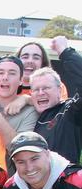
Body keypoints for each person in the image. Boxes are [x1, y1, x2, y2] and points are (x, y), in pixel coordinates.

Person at [30, 36, 82, 166]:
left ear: (59, 90)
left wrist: (65, 52)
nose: (41, 93)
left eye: (46, 88)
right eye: (36, 89)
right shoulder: (27, 114)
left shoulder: (69, 111)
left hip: (65, 183)